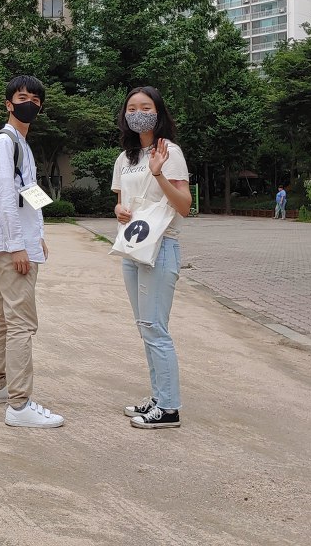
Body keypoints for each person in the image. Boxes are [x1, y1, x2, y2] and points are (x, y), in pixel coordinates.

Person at [0, 75, 64, 428]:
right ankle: (19, 405)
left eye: (35, 99)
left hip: (17, 242)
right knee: (21, 324)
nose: (29, 103)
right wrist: (18, 245)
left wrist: (37, 234)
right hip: (10, 245)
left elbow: (29, 192)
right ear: (8, 104)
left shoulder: (21, 145)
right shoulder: (4, 142)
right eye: (22, 97)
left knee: (5, 318)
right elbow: (3, 197)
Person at [112, 86, 192, 429]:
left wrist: (159, 173)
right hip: (133, 248)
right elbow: (121, 203)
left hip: (161, 247)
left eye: (146, 107)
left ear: (158, 113)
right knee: (145, 327)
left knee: (155, 328)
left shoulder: (169, 151)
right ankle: (159, 397)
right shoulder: (126, 158)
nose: (138, 113)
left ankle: (169, 408)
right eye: (132, 108)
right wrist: (118, 210)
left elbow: (184, 206)